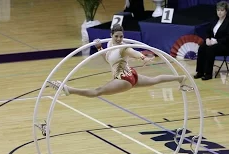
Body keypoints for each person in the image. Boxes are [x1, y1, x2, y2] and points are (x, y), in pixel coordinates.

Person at [47, 24, 191, 98]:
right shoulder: (109, 45)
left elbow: (133, 52)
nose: (119, 39)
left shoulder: (124, 47)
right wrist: (99, 48)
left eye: (121, 36)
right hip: (130, 75)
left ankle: (70, 90)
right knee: (155, 80)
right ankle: (180, 78)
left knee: (98, 91)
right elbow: (109, 59)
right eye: (116, 36)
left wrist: (143, 57)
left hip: (124, 78)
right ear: (111, 35)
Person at [194, 1, 229, 80]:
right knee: (202, 47)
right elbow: (208, 32)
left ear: (226, 11)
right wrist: (207, 39)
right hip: (212, 43)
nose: (219, 12)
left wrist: (217, 41)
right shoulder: (214, 20)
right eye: (218, 10)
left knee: (210, 49)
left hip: (224, 45)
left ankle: (208, 73)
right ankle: (200, 72)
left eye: (222, 10)